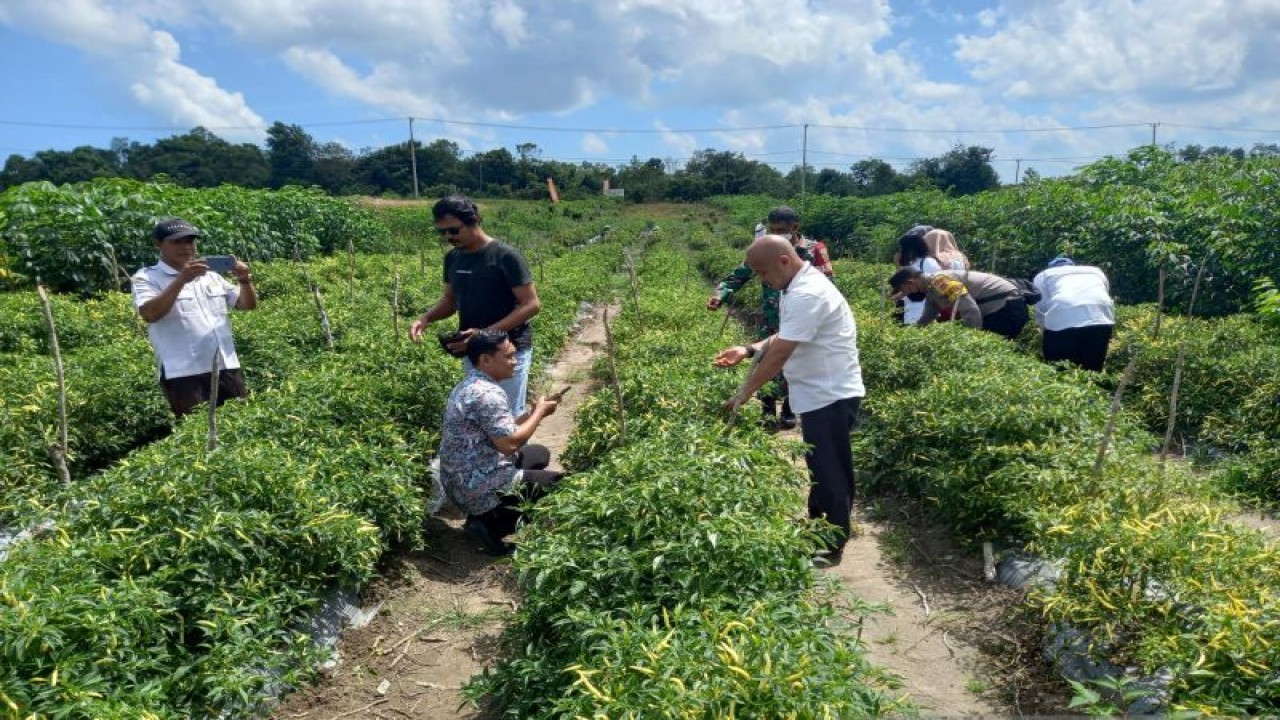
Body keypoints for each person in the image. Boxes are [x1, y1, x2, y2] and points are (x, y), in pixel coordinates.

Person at [714, 235, 864, 565]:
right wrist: (749, 348)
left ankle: (831, 545)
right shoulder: (794, 286)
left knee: (831, 471)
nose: (762, 280)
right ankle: (817, 528)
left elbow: (782, 351)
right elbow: (783, 335)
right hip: (817, 392)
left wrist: (745, 391)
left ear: (784, 261)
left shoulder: (808, 292)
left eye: (763, 272)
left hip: (830, 394)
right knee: (820, 467)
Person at [409, 195, 541, 416]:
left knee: (507, 413)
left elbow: (531, 305)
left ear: (475, 220)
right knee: (481, 412)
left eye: (453, 230)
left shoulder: (505, 256)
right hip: (474, 350)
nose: (448, 237)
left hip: (509, 349)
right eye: (441, 232)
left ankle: (515, 452)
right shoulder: (453, 258)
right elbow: (450, 300)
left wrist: (483, 333)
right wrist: (426, 318)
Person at [707, 206, 833, 430]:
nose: (775, 233)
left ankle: (789, 409)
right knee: (766, 358)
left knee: (795, 361)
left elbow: (828, 285)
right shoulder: (767, 248)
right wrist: (720, 295)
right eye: (771, 229)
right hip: (771, 316)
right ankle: (767, 410)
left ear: (795, 227)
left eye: (781, 229)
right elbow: (738, 275)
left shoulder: (814, 250)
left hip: (801, 316)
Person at [437, 329, 562, 556]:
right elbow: (509, 444)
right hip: (477, 486)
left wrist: (532, 413)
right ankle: (494, 524)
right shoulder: (488, 395)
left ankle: (487, 513)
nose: (515, 362)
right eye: (508, 356)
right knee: (560, 485)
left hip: (459, 481)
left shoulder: (471, 384)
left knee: (539, 454)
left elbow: (499, 429)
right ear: (485, 360)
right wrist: (540, 414)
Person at [131, 217, 257, 417]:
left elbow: (246, 305)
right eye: (177, 242)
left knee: (240, 425)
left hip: (226, 366)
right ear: (158, 244)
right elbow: (150, 314)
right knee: (197, 433)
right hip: (184, 373)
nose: (186, 247)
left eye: (189, 241)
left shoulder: (210, 275)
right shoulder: (146, 277)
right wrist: (181, 280)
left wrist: (244, 279)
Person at [889, 267, 1029, 340]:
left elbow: (971, 311)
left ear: (910, 283)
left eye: (903, 289)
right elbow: (927, 317)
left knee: (993, 350)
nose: (905, 293)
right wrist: (908, 335)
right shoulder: (931, 289)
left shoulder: (940, 282)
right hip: (1002, 308)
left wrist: (970, 340)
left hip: (1007, 308)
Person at [1032, 256, 1115, 371]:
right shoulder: (1095, 271)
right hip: (1100, 318)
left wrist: (1044, 330)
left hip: (1063, 316)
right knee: (1092, 367)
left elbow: (1041, 305)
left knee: (1060, 368)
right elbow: (1103, 292)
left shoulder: (1044, 275)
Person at [893, 231, 945, 325]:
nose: (901, 251)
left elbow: (938, 286)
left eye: (902, 248)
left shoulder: (928, 262)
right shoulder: (910, 264)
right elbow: (902, 286)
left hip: (925, 310)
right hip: (910, 311)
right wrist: (898, 265)